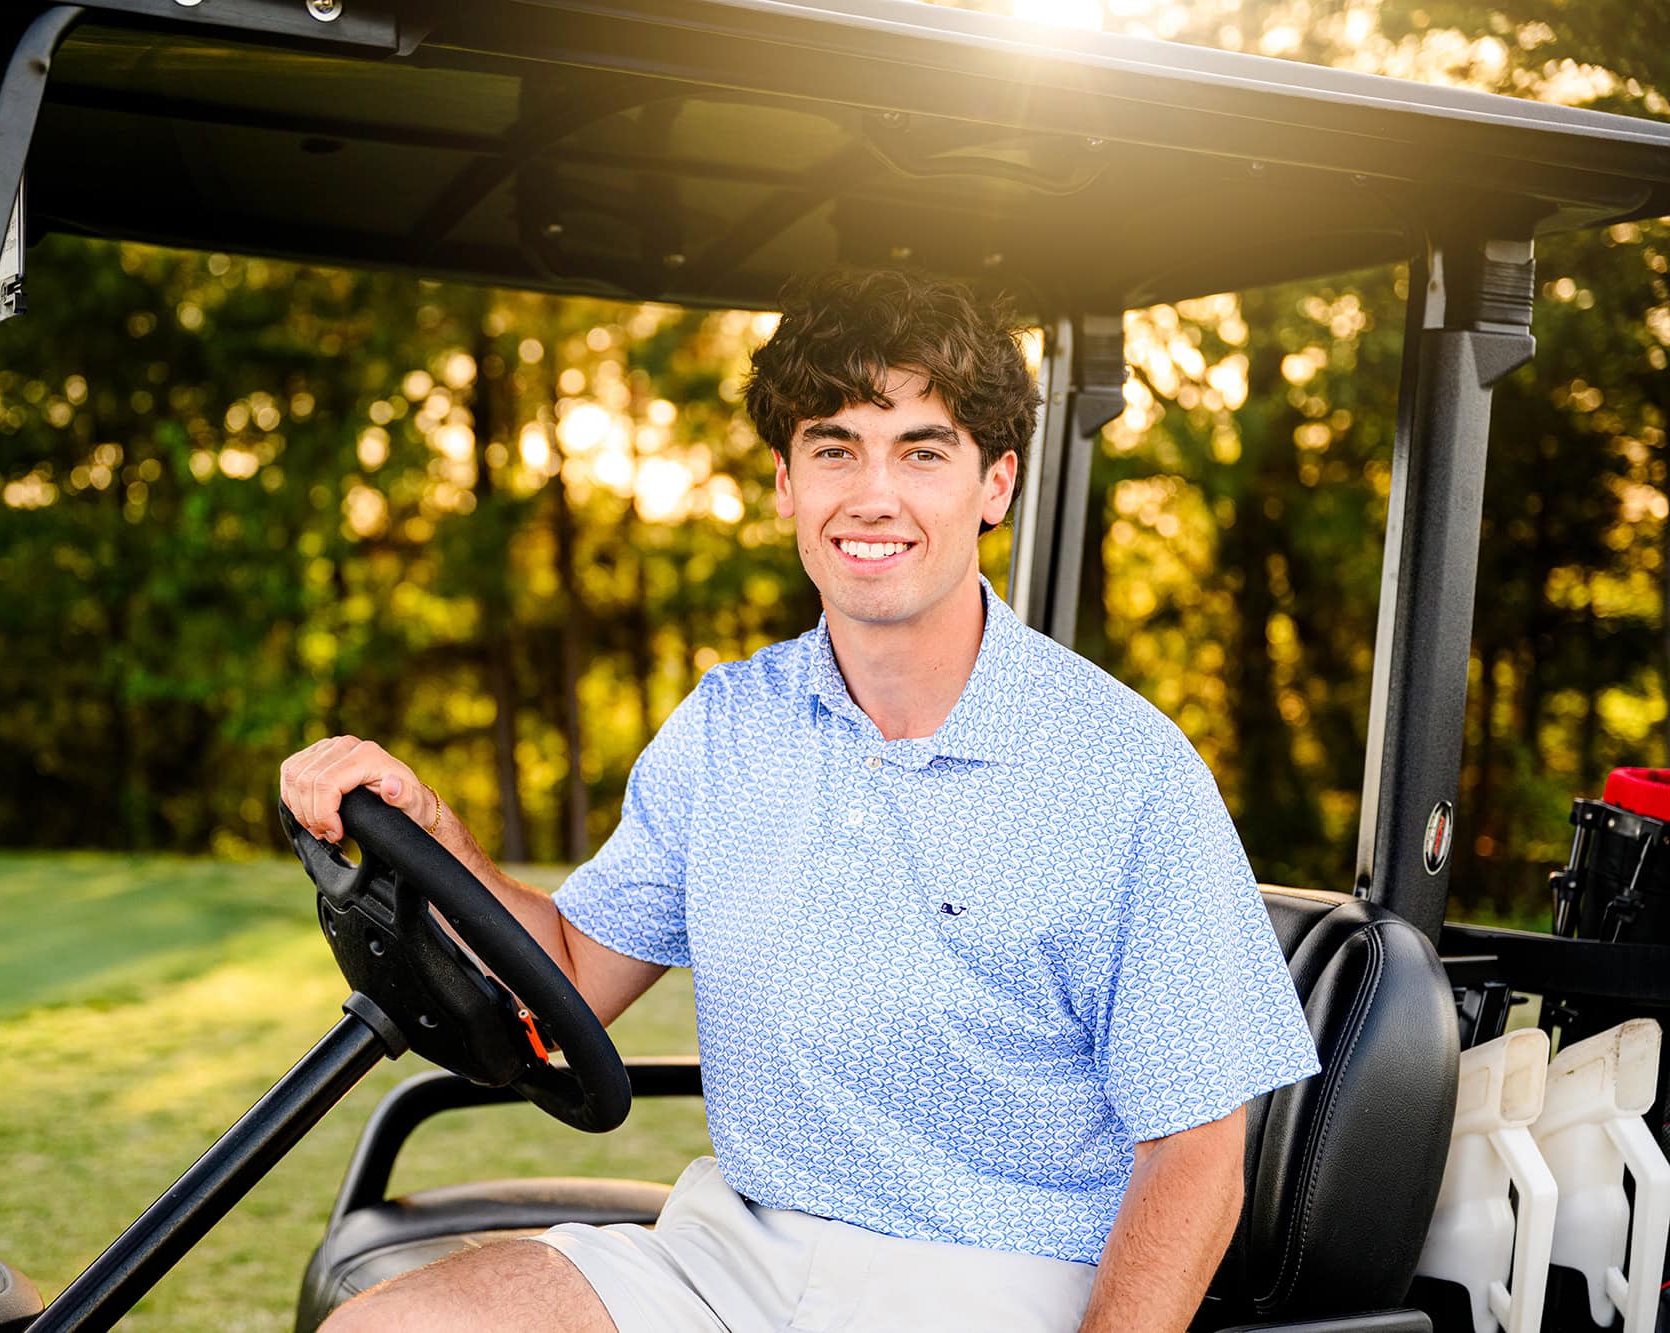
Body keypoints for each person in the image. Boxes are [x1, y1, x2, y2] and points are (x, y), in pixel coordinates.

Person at [280, 269, 1322, 1333]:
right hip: (728, 1251)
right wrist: (428, 828)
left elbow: (1196, 1156)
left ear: (994, 482)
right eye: (834, 447)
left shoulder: (1124, 770)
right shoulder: (729, 724)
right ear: (785, 482)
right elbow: (571, 974)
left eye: (921, 450)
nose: (872, 495)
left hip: (991, 1276)